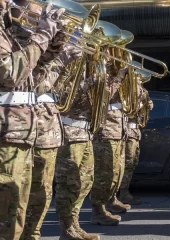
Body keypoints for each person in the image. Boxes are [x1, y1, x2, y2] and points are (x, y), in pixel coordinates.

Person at [11, 1, 82, 239]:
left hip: (37, 126)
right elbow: (30, 79)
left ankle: (35, 234)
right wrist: (44, 36)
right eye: (37, 6)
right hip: (19, 127)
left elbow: (41, 74)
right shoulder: (14, 35)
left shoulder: (30, 37)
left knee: (41, 192)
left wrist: (57, 42)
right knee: (17, 198)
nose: (42, 11)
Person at [0, 0, 64, 239]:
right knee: (7, 212)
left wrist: (55, 42)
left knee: (18, 208)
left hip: (21, 133)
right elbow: (9, 73)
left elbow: (32, 78)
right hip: (6, 135)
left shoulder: (10, 33)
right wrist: (43, 34)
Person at [54, 63, 100, 239]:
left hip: (86, 134)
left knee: (86, 182)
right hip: (70, 133)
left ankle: (74, 224)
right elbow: (62, 98)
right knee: (68, 184)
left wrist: (114, 78)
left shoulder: (91, 70)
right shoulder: (66, 67)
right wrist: (88, 83)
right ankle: (66, 229)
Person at [90, 50, 130, 226]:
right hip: (105, 129)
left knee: (117, 171)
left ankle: (111, 200)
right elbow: (103, 95)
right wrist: (120, 76)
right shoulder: (98, 69)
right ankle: (98, 210)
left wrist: (131, 79)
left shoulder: (113, 71)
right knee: (104, 174)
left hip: (118, 129)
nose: (111, 54)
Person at [119, 80, 153, 205]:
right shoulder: (125, 90)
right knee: (126, 163)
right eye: (136, 77)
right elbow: (127, 107)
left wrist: (147, 103)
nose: (139, 79)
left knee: (132, 163)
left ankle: (124, 192)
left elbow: (149, 107)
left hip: (135, 131)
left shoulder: (143, 91)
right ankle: (122, 193)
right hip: (127, 131)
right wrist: (140, 101)